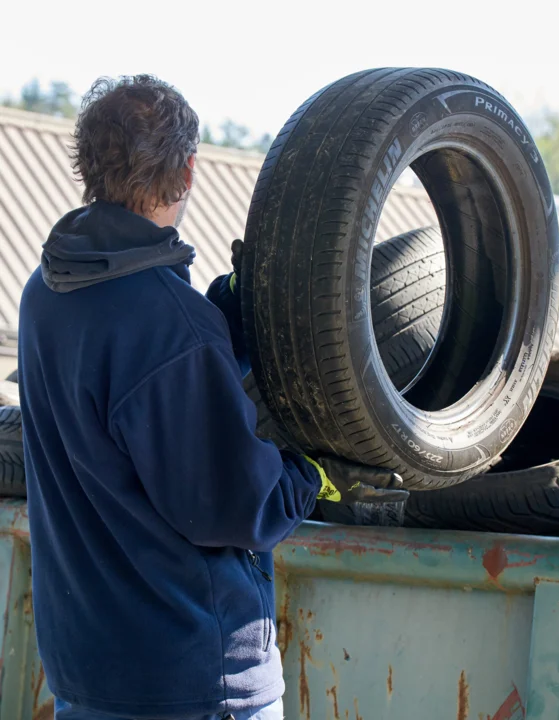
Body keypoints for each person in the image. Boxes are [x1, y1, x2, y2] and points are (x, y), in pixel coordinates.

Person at [16, 75, 408, 720]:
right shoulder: (171, 324)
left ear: (87, 164)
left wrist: (223, 318)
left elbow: (130, 386)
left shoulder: (49, 290)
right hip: (191, 679)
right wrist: (314, 477)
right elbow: (231, 506)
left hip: (87, 674)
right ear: (189, 170)